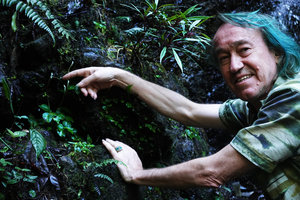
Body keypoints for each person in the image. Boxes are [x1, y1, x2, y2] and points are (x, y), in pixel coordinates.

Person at [63, 11, 300, 200]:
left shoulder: (293, 96)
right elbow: (188, 111)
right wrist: (118, 77)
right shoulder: (258, 106)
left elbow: (213, 172)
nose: (235, 65)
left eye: (244, 50)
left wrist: (137, 175)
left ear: (276, 52)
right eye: (224, 58)